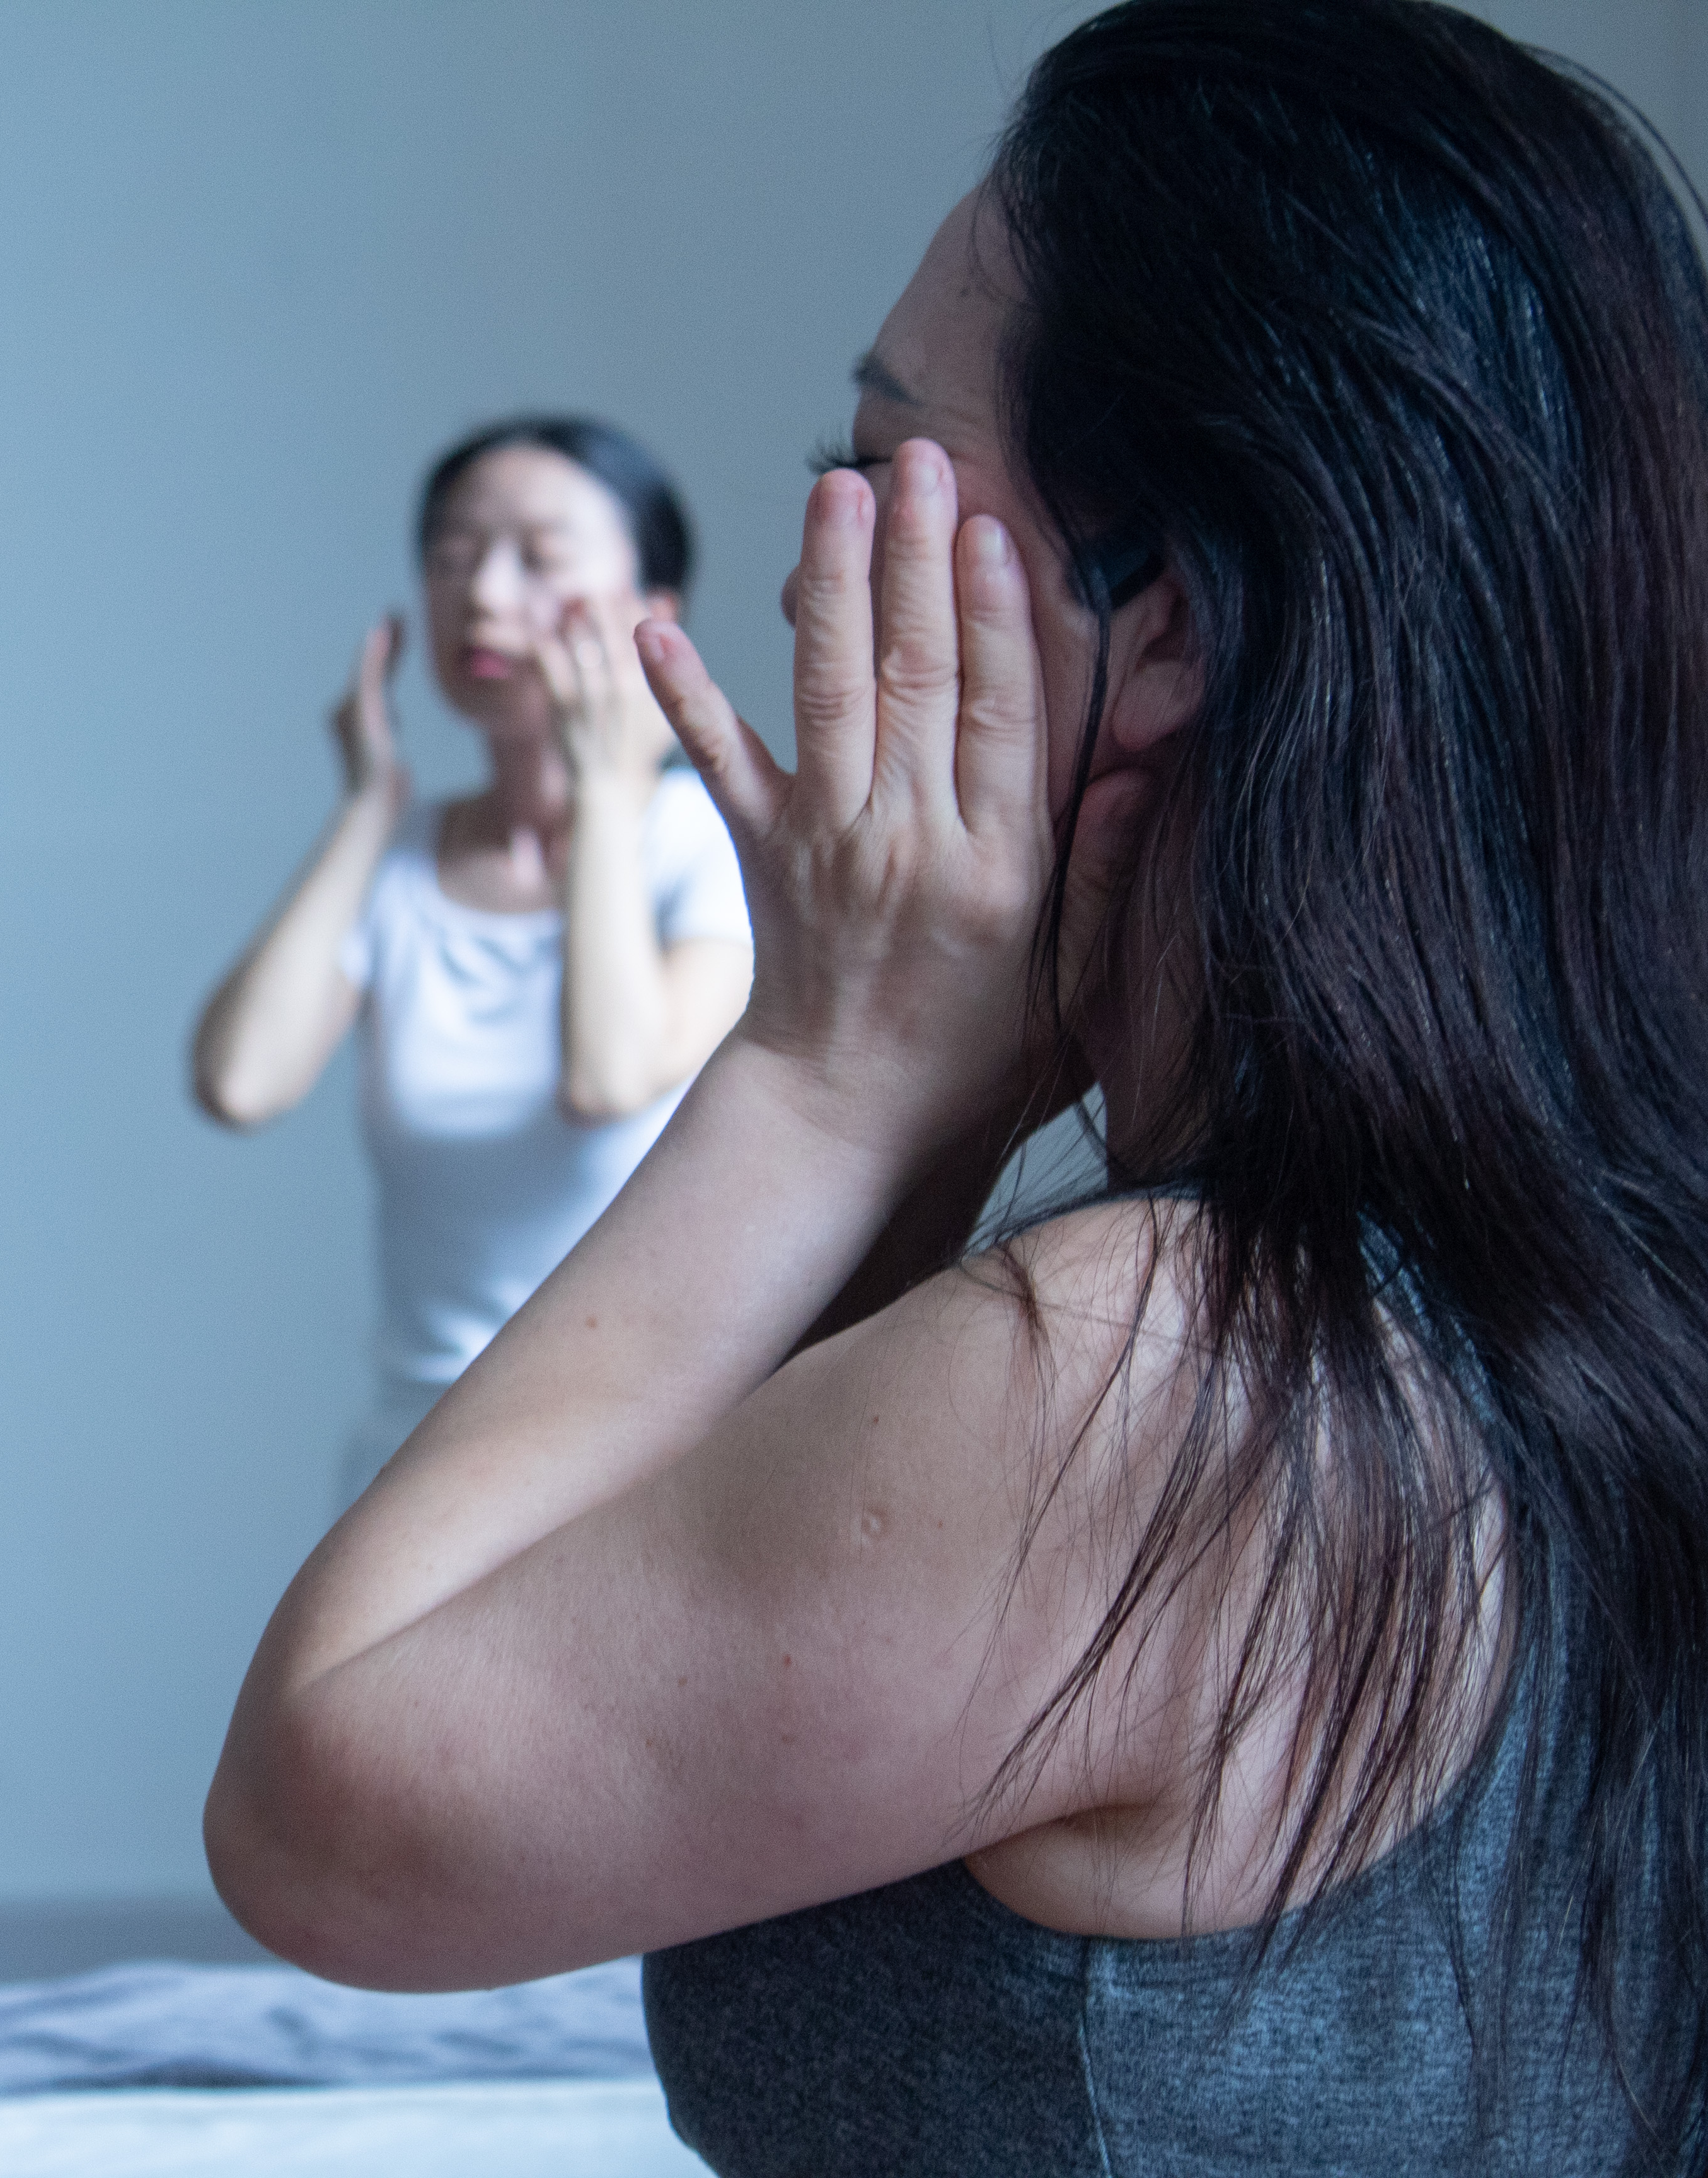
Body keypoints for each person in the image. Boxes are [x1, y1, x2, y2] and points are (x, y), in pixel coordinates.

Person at [204, 1, 1708, 2169]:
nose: (814, 544)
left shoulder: (1173, 1384)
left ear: (1162, 621)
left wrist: (826, 1074)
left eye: (879, 464)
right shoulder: (1530, 1300)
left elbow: (320, 1816)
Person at [190, 418, 753, 1499]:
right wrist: (368, 811)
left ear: (654, 611)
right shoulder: (402, 862)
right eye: (452, 556)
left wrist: (607, 793)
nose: (485, 594)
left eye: (540, 557)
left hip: (632, 1467)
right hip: (412, 1459)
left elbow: (612, 1075)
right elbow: (240, 1083)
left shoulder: (704, 839)